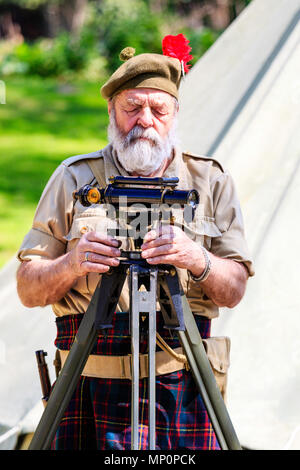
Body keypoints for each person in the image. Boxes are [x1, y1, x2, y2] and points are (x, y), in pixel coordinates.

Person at [16, 38, 254, 450]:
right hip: (86, 385)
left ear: (174, 114)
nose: (145, 120)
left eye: (158, 109)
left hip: (183, 386)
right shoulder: (74, 179)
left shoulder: (209, 181)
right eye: (132, 107)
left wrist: (196, 258)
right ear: (112, 111)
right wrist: (71, 263)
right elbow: (27, 286)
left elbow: (234, 289)